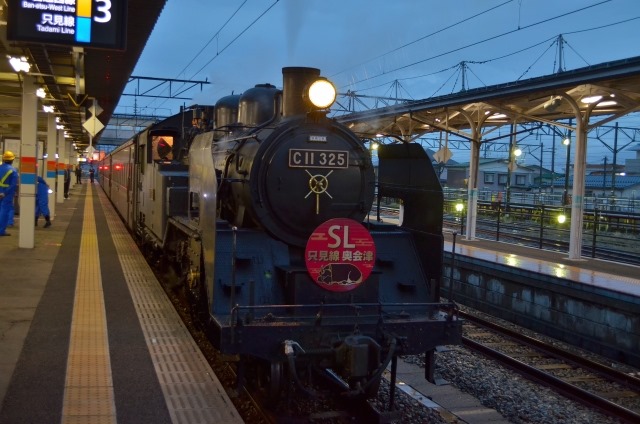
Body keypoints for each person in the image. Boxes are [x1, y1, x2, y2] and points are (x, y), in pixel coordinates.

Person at [0, 151, 18, 236]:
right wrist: (5, 192)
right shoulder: (13, 171)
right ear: (12, 160)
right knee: (4, 212)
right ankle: (1, 231)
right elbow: (13, 185)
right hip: (6, 194)